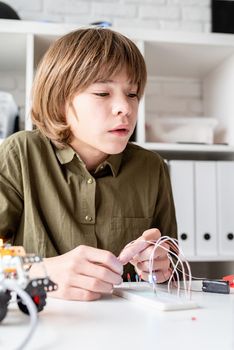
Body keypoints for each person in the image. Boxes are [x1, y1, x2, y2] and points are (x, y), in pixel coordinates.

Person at [0, 27, 177, 301]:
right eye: (102, 93)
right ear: (60, 100)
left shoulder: (152, 167)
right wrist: (39, 271)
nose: (125, 108)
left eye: (132, 94)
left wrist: (162, 267)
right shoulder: (20, 153)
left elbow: (172, 269)